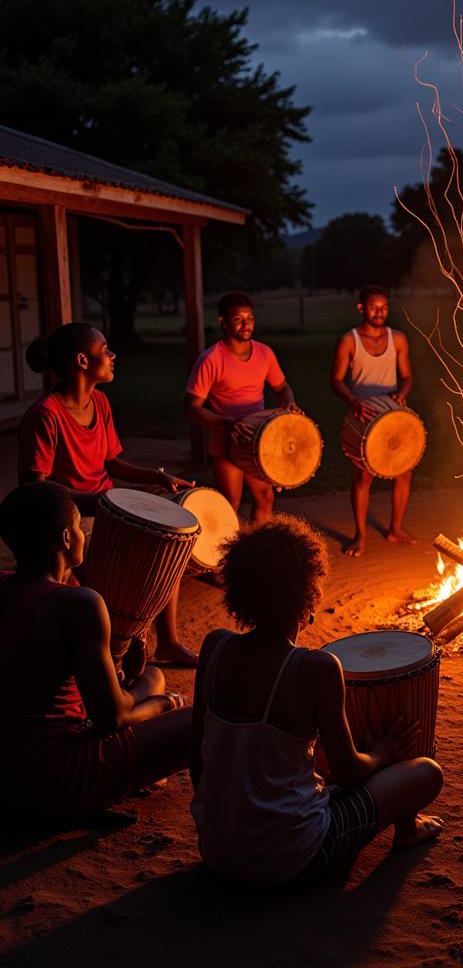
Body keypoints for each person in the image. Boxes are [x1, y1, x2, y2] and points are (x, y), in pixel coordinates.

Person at [190, 515, 444, 888]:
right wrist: (386, 752)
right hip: (292, 858)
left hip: (216, 851)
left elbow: (198, 754)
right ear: (307, 593)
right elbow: (349, 772)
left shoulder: (216, 646)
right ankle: (409, 827)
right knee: (426, 773)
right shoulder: (314, 667)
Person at [0, 482, 190, 825]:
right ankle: (100, 793)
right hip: (49, 778)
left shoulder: (9, 587)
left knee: (153, 677)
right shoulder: (79, 603)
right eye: (78, 525)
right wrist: (165, 705)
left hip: (5, 771)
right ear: (67, 539)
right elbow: (111, 719)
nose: (84, 534)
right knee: (197, 721)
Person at [18, 322, 197, 666]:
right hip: (69, 520)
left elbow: (111, 462)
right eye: (106, 351)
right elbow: (35, 489)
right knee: (108, 592)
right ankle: (110, 657)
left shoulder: (99, 402)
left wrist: (159, 479)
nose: (113, 356)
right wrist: (97, 503)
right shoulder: (45, 416)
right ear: (83, 361)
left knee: (164, 552)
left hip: (106, 508)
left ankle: (168, 643)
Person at [184, 292, 298, 523]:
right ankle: (229, 556)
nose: (246, 324)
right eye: (238, 318)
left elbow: (282, 387)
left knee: (265, 498)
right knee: (230, 503)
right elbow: (190, 408)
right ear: (223, 322)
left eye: (250, 318)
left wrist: (288, 404)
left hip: (258, 439)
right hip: (226, 440)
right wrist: (227, 423)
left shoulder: (265, 353)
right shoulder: (212, 359)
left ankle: (256, 551)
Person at [329, 286, 417, 557]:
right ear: (361, 308)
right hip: (363, 415)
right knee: (363, 477)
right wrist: (354, 401)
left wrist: (402, 394)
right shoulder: (349, 340)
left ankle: (395, 528)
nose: (379, 312)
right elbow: (336, 380)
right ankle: (360, 535)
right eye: (373, 307)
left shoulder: (398, 339)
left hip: (392, 414)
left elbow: (407, 377)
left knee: (404, 471)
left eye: (384, 308)